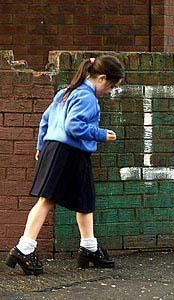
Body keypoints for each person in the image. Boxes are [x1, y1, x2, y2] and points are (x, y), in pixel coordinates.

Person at [4, 55, 125, 275]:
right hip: (69, 152)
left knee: (84, 199)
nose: (109, 91)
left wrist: (41, 145)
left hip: (55, 148)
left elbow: (45, 119)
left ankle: (89, 247)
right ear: (102, 78)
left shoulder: (65, 92)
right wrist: (100, 134)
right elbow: (73, 126)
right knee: (47, 200)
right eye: (111, 86)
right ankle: (24, 247)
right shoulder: (87, 97)